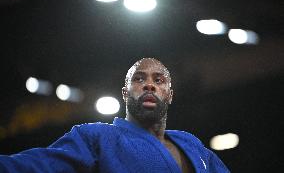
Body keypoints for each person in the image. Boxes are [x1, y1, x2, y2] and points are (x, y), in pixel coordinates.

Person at [0, 58, 230, 173]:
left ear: (169, 95)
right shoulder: (97, 137)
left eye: (158, 80)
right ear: (125, 93)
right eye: (139, 79)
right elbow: (31, 166)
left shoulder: (191, 144)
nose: (149, 85)